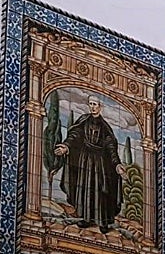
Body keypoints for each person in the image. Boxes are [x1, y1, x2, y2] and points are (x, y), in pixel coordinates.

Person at [54, 95, 127, 231]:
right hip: (85, 161)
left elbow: (111, 147)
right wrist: (66, 146)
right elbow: (75, 135)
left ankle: (103, 221)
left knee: (101, 190)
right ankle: (86, 218)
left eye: (95, 104)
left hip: (100, 163)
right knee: (86, 188)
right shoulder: (84, 121)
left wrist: (117, 164)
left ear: (100, 106)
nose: (92, 107)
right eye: (90, 104)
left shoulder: (105, 127)